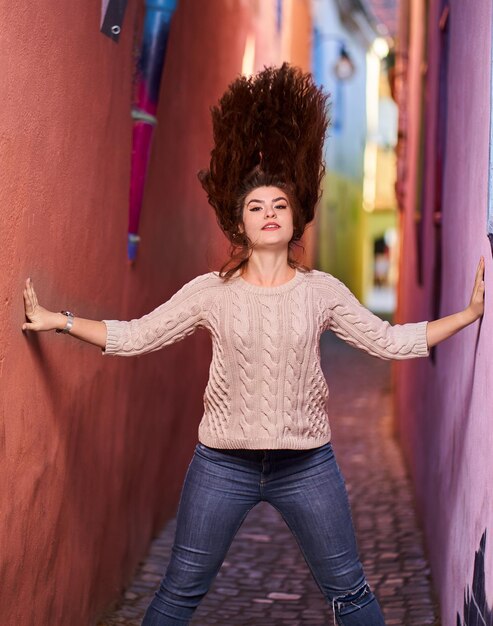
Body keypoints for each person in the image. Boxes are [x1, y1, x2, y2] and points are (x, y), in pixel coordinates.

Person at [22, 64, 485, 626]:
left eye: (279, 205)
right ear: (239, 224)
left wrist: (466, 316)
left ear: (297, 217)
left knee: (352, 592)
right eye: (256, 207)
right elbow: (136, 336)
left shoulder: (321, 292)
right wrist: (57, 320)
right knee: (178, 593)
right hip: (222, 465)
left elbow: (387, 341)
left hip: (307, 464)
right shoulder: (210, 293)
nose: (269, 214)